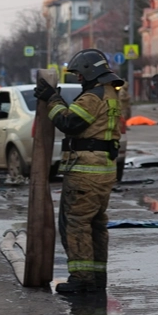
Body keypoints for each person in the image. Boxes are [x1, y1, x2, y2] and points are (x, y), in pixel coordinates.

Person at [34, 48, 123, 294]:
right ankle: (96, 277)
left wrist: (52, 98)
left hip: (86, 172)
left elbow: (69, 123)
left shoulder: (92, 97)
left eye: (79, 74)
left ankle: (82, 279)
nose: (78, 79)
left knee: (76, 223)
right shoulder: (112, 93)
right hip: (104, 170)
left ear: (89, 71)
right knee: (96, 224)